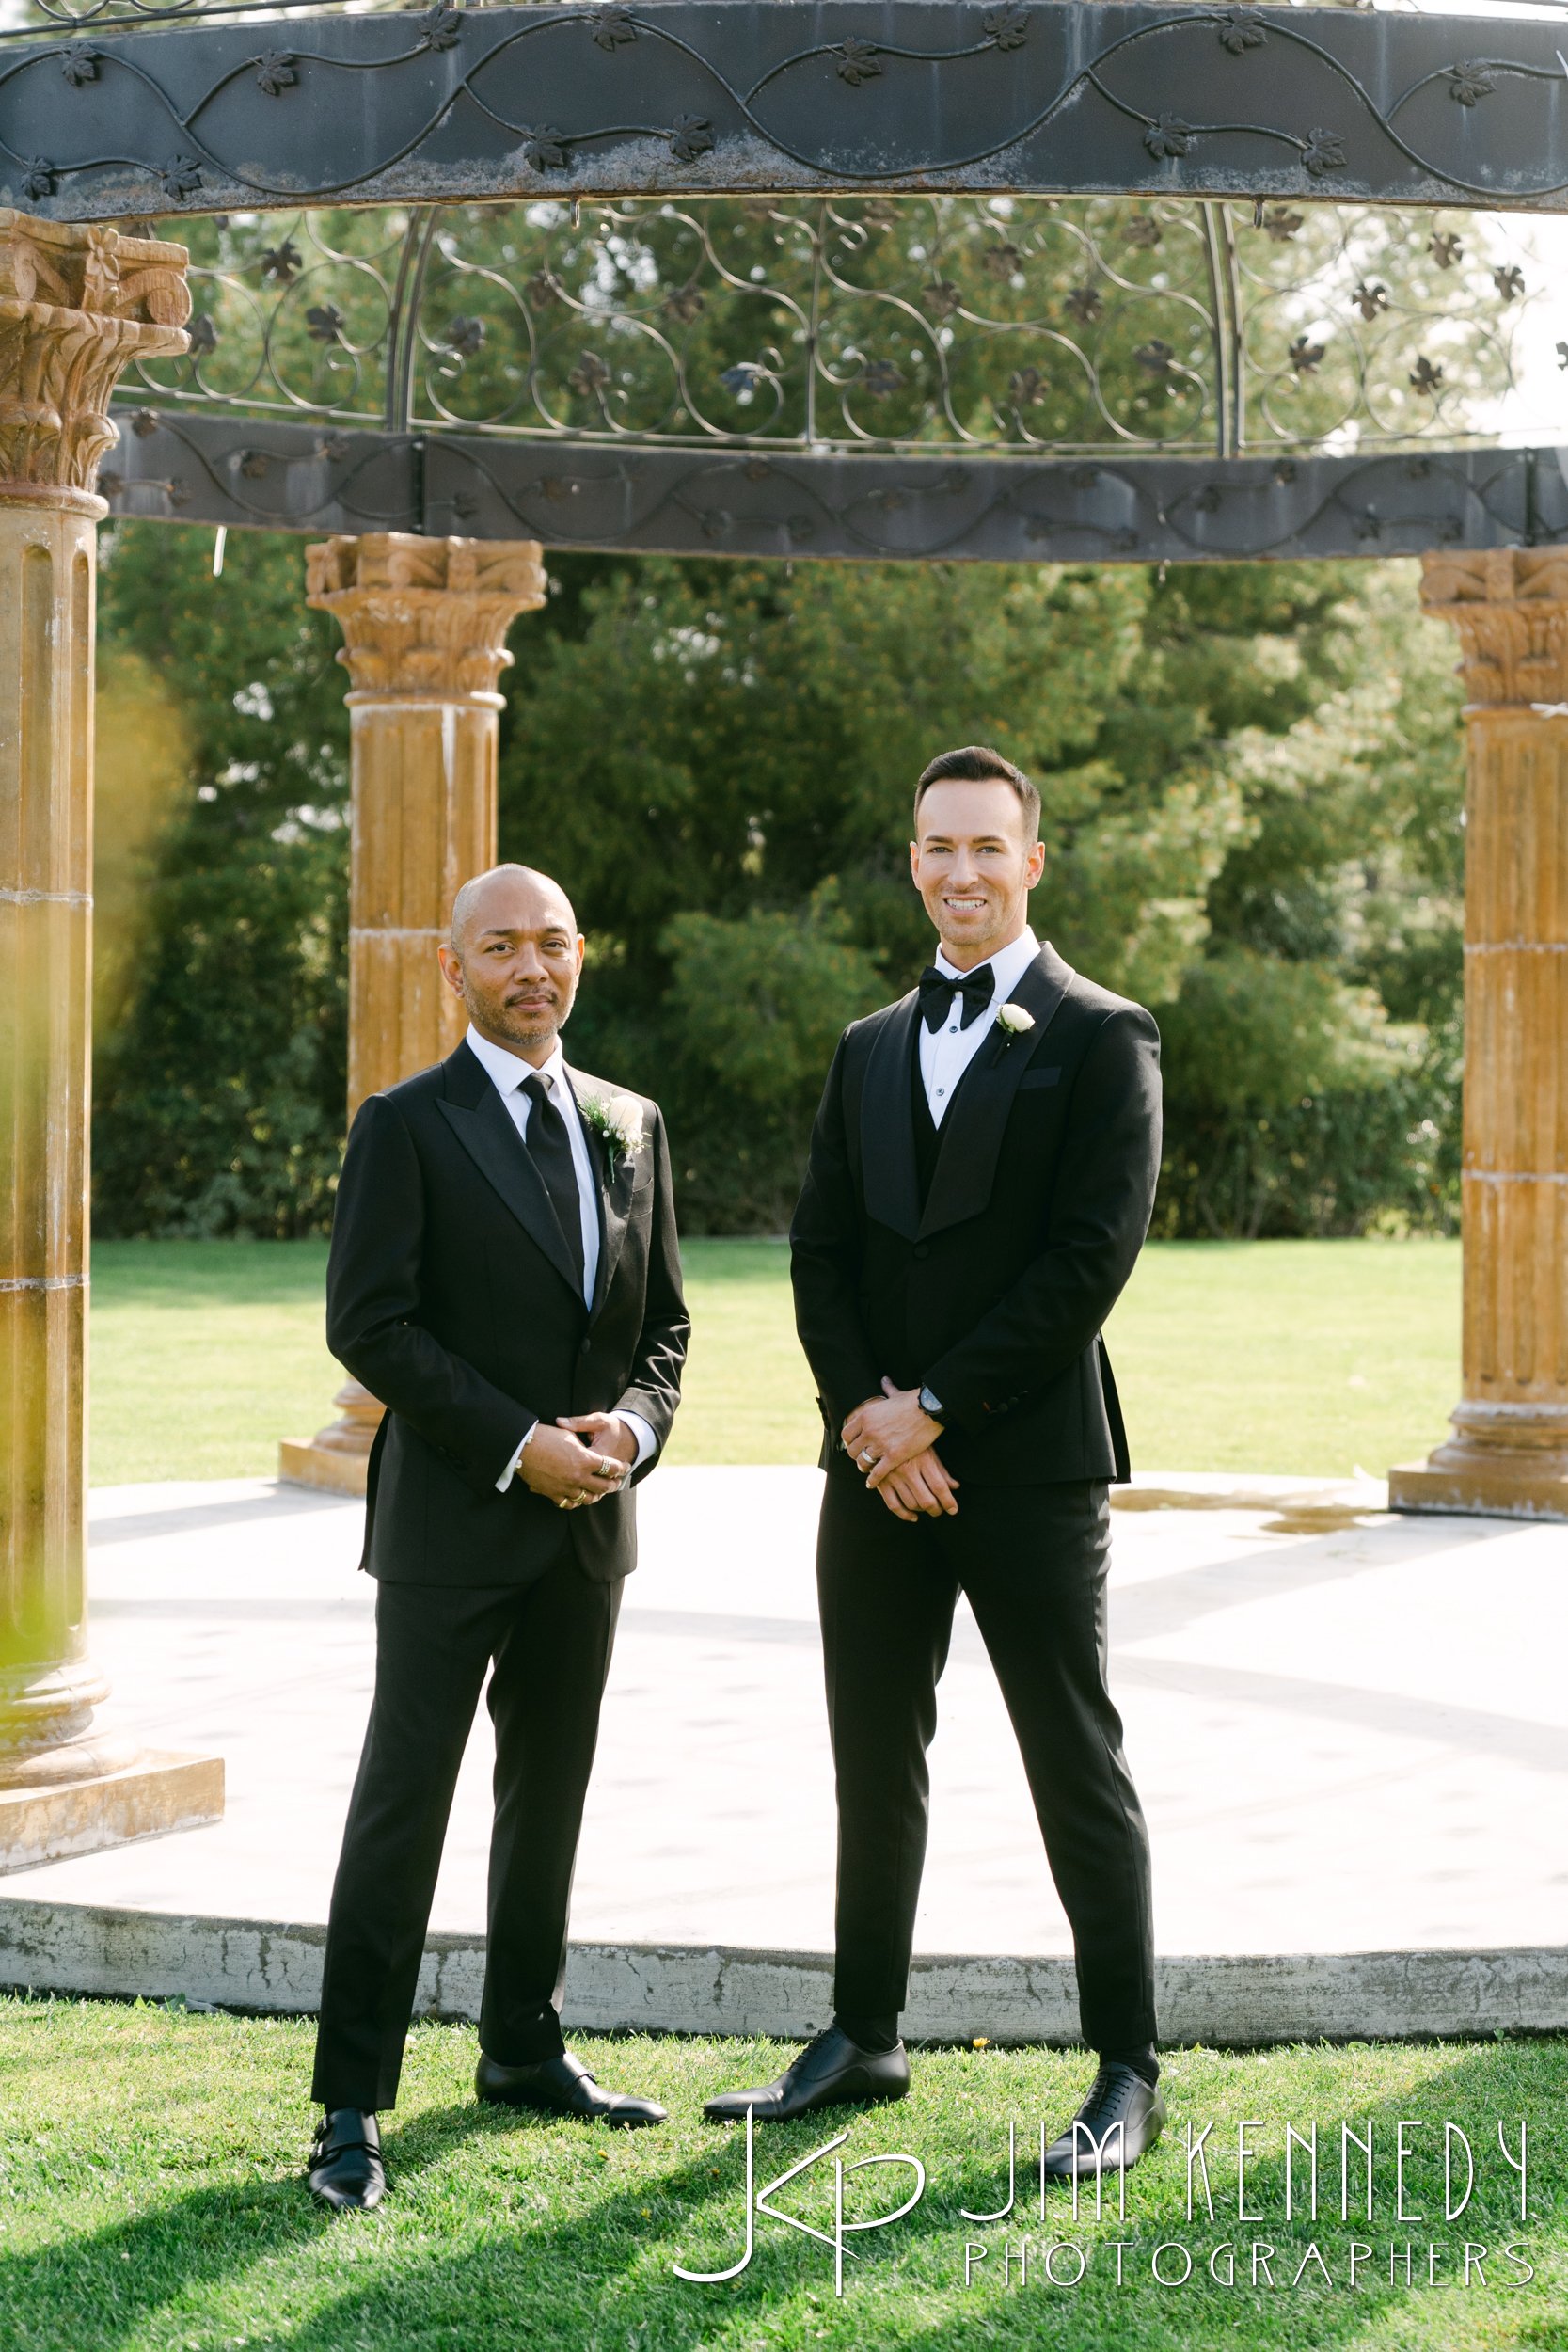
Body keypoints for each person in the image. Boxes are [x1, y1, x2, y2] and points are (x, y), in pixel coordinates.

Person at [704, 746, 1164, 2177]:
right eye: (938, 848)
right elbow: (822, 1251)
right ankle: (864, 2033)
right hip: (874, 1470)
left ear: (1033, 861)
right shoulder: (867, 1045)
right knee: (872, 1750)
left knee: (1071, 1755)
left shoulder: (1104, 1035)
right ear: (913, 864)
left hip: (1028, 1466)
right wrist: (869, 1416)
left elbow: (1089, 1260)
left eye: (987, 847)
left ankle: (1128, 2069)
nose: (962, 871)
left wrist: (940, 1408)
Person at [306, 863, 688, 2213]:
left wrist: (629, 1434)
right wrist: (521, 1443)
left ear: (581, 956)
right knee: (402, 1806)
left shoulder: (632, 1121)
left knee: (549, 1796)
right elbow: (370, 1323)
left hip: (589, 1530)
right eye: (503, 946)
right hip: (450, 1527)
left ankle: (524, 2046)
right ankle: (349, 2104)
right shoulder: (405, 1125)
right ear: (453, 968)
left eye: (554, 943)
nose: (533, 968)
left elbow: (664, 1328)